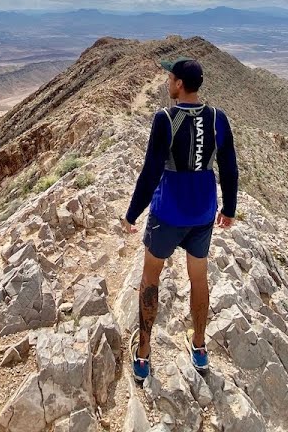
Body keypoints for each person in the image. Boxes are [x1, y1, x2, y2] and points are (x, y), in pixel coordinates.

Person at [120, 57, 239, 383]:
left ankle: (143, 354)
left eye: (169, 78)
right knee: (198, 278)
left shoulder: (164, 119)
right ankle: (199, 347)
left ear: (179, 84)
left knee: (150, 278)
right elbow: (228, 167)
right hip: (203, 211)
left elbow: (150, 173)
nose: (166, 83)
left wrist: (131, 214)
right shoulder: (218, 118)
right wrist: (229, 209)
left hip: (168, 211)